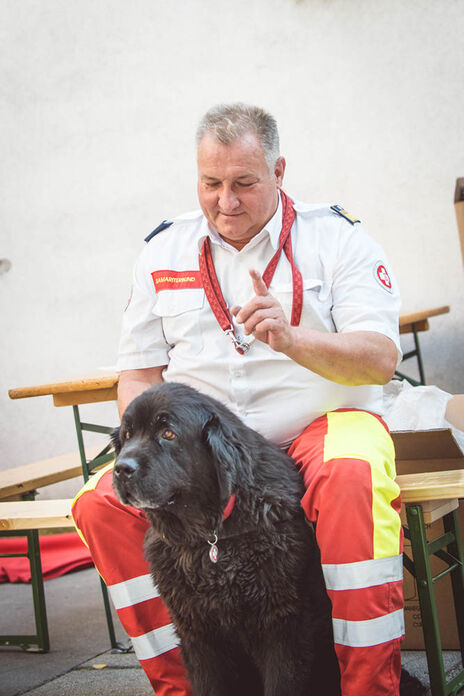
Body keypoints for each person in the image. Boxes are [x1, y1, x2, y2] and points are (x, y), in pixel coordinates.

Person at [72, 103, 405, 696]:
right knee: (99, 504)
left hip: (321, 421)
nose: (226, 200)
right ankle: (183, 687)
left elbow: (381, 358)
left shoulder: (337, 239)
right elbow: (138, 374)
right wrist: (148, 440)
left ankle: (369, 689)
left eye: (245, 183)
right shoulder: (163, 251)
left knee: (351, 476)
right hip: (200, 443)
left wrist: (295, 338)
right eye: (211, 183)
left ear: (279, 170)